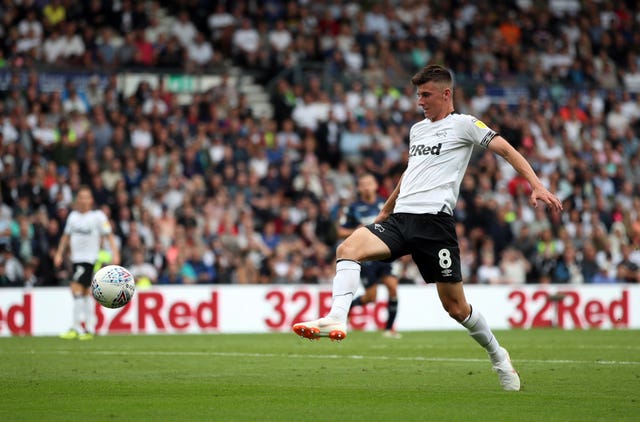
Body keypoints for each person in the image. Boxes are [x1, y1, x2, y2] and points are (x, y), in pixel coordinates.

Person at [293, 64, 563, 391]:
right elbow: (411, 173)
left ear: (446, 94)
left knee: (456, 308)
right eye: (418, 94)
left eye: (426, 94)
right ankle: (337, 316)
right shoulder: (417, 130)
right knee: (348, 248)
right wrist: (385, 209)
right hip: (401, 218)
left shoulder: (464, 125)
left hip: (435, 226)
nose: (420, 101)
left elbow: (504, 148)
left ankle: (498, 356)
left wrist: (535, 184)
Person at [338, 173, 401, 338]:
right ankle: (349, 308)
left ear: (375, 185)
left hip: (384, 253)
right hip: (366, 257)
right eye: (363, 184)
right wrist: (357, 231)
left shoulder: (385, 203)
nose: (366, 187)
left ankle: (389, 329)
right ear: (359, 188)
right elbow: (340, 231)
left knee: (393, 287)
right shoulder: (353, 208)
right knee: (370, 297)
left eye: (369, 183)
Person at [54, 186, 120, 340]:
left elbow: (109, 235)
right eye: (81, 197)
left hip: (90, 259)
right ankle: (89, 328)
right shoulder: (73, 217)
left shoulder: (98, 216)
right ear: (77, 200)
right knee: (83, 292)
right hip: (76, 259)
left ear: (91, 200)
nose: (83, 200)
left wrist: (115, 254)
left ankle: (77, 328)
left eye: (86, 197)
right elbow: (65, 237)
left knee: (76, 288)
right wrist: (59, 253)